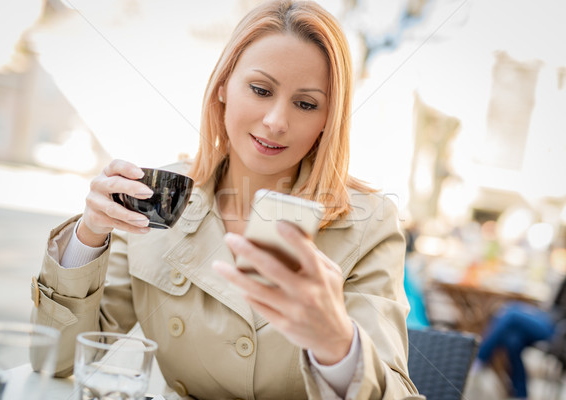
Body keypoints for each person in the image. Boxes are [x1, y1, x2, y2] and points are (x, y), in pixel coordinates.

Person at [30, 1, 422, 399]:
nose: (276, 121)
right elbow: (56, 359)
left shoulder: (368, 222)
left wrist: (336, 342)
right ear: (222, 85)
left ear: (327, 119)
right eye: (260, 90)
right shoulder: (161, 196)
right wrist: (88, 235)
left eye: (306, 104)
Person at [472, 275, 566, 399]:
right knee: (513, 340)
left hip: (558, 331)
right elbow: (554, 305)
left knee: (512, 312)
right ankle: (521, 395)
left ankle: (479, 359)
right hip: (549, 319)